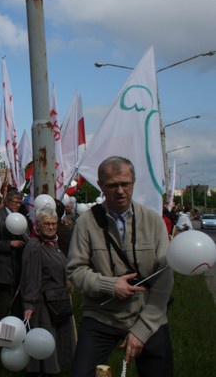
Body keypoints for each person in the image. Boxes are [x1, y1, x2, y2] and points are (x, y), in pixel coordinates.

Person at [67, 156, 173, 377]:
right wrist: (110, 285)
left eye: (125, 184)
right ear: (101, 186)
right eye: (112, 185)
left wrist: (142, 331)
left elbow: (164, 280)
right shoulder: (86, 223)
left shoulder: (153, 221)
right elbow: (75, 271)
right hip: (101, 317)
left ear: (134, 182)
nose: (120, 191)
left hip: (148, 315)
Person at [22, 207, 75, 376]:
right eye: (47, 224)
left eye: (54, 223)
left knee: (58, 344)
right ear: (38, 225)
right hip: (43, 305)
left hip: (58, 301)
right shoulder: (35, 246)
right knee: (44, 347)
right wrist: (29, 304)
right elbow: (30, 277)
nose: (51, 227)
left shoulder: (54, 243)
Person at [0, 188, 26, 319]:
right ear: (7, 202)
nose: (19, 205)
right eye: (16, 202)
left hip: (17, 270)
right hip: (3, 271)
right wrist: (9, 244)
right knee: (3, 305)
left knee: (16, 306)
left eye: (20, 202)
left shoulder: (21, 219)